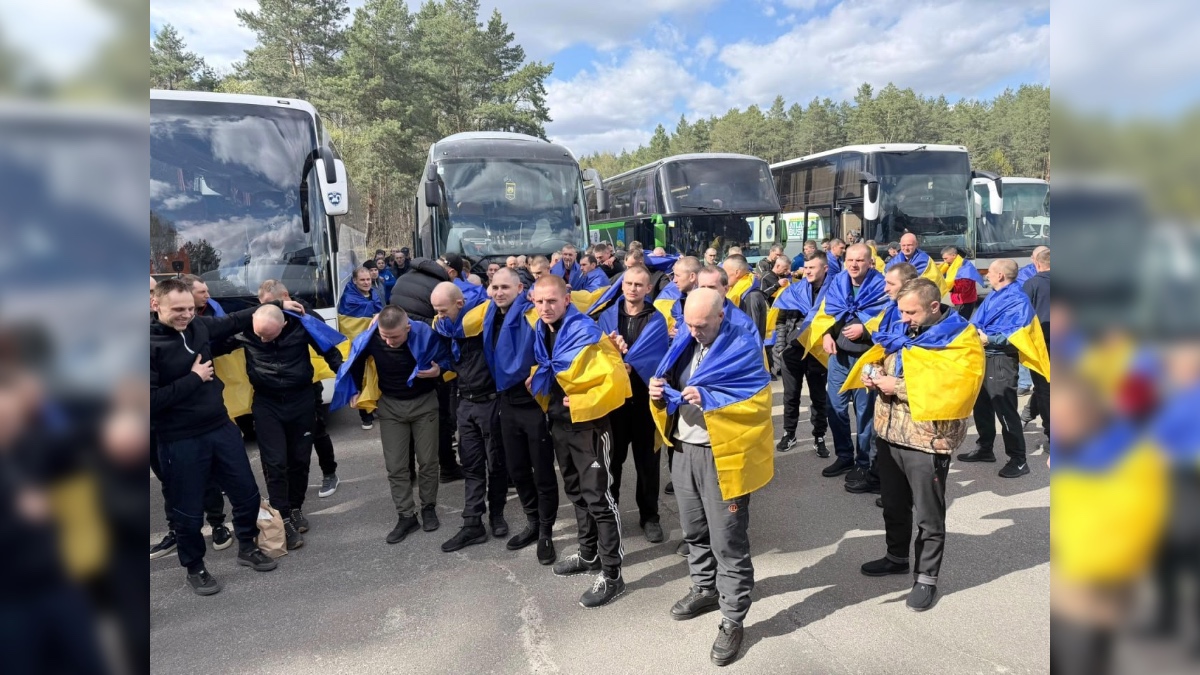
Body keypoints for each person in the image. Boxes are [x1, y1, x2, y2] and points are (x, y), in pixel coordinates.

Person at [151, 279, 303, 594]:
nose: (186, 315)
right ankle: (195, 568)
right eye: (178, 310)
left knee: (246, 494)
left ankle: (247, 546)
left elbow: (234, 320)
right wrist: (194, 378)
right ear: (155, 305)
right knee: (188, 511)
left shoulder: (199, 327)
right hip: (179, 439)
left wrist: (275, 305)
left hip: (220, 427)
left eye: (191, 309)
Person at [649, 288, 774, 667]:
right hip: (684, 450)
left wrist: (713, 400)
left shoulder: (744, 347)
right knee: (694, 531)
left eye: (701, 325)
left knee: (728, 541)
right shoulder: (684, 341)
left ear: (722, 316)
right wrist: (656, 394)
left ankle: (733, 618)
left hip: (723, 456)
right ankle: (705, 588)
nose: (693, 331)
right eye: (687, 323)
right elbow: (667, 381)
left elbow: (759, 402)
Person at [854, 278, 985, 611]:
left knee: (929, 514)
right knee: (894, 504)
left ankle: (926, 578)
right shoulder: (904, 330)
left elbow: (955, 388)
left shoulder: (961, 338)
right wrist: (872, 372)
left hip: (928, 439)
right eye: (900, 311)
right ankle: (896, 556)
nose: (902, 318)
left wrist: (894, 385)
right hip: (889, 433)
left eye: (910, 312)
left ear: (933, 307)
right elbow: (886, 357)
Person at [529, 275, 631, 608]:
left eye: (552, 301)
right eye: (539, 301)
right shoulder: (541, 330)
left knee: (599, 499)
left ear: (567, 300)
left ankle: (613, 575)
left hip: (589, 426)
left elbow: (617, 379)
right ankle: (588, 555)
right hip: (559, 424)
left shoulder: (587, 332)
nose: (545, 307)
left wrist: (585, 402)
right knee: (575, 493)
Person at [233, 303, 344, 549]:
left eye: (268, 336)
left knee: (299, 459)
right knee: (275, 462)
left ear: (283, 324)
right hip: (266, 403)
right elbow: (209, 339)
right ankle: (281, 516)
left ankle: (295, 508)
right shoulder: (245, 331)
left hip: (301, 401)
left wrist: (350, 381)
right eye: (259, 334)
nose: (262, 339)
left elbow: (329, 349)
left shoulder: (301, 326)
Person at [339, 305, 449, 543]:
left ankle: (428, 507)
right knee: (396, 466)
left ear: (407, 328)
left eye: (395, 337)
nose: (388, 342)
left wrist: (438, 372)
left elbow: (447, 358)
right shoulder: (373, 336)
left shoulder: (424, 334)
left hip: (424, 403)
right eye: (384, 336)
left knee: (428, 462)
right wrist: (355, 388)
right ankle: (406, 516)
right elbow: (356, 360)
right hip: (390, 406)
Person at [149, 279, 231, 560]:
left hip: (183, 425)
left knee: (204, 475)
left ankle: (218, 524)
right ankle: (176, 531)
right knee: (169, 481)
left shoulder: (184, 325)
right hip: (148, 428)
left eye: (150, 289)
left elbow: (223, 329)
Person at [484, 268, 558, 564]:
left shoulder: (531, 313)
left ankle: (546, 531)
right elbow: (452, 313)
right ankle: (532, 522)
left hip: (533, 403)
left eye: (505, 287)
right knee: (516, 469)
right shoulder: (488, 313)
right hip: (507, 402)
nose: (499, 292)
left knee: (541, 471)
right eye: (494, 286)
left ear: (520, 289)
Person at [431, 282, 511, 551]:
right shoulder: (444, 327)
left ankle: (497, 514)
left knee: (496, 463)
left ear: (460, 304)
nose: (439, 316)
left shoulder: (487, 320)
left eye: (442, 310)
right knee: (472, 464)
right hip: (465, 403)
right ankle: (472, 523)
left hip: (491, 402)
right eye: (436, 311)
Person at [597, 265, 670, 543]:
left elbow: (658, 359)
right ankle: (611, 514)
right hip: (614, 405)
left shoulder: (657, 320)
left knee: (647, 464)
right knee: (612, 463)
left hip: (644, 404)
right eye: (628, 283)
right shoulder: (607, 316)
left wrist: (631, 364)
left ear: (648, 288)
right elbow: (597, 354)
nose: (633, 289)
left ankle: (650, 517)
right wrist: (616, 360)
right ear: (622, 285)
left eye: (639, 285)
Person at [258, 280, 342, 498]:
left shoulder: (305, 315)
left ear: (285, 296)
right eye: (265, 305)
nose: (270, 308)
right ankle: (282, 489)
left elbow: (327, 346)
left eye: (273, 303)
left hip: (307, 385)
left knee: (318, 431)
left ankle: (329, 473)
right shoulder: (262, 321)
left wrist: (346, 378)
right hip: (274, 393)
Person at [818, 244, 889, 487]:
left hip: (867, 357)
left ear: (870, 262)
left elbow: (889, 316)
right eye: (850, 259)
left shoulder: (881, 285)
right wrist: (826, 334)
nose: (854, 264)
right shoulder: (838, 281)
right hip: (839, 357)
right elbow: (825, 312)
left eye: (860, 260)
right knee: (834, 407)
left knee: (865, 412)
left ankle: (863, 463)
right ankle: (844, 456)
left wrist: (865, 328)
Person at [389, 254, 464, 483]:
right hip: (425, 355)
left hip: (398, 352)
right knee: (438, 415)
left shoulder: (404, 277)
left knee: (407, 415)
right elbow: (442, 327)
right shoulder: (441, 288)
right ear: (451, 273)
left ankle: (409, 473)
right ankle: (448, 468)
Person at [961, 259, 1039, 478]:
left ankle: (1019, 459)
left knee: (1004, 409)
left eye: (991, 272)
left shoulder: (1017, 298)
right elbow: (978, 319)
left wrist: (990, 338)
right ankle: (985, 448)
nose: (986, 275)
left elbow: (1019, 334)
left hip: (1001, 358)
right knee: (982, 404)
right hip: (984, 354)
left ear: (1001, 275)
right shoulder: (995, 294)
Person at [774, 252, 830, 455]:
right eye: (806, 267)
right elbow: (780, 320)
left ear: (825, 269)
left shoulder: (833, 292)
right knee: (790, 397)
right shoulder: (794, 290)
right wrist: (780, 348)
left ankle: (819, 436)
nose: (807, 271)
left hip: (817, 352)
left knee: (818, 397)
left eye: (812, 268)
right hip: (792, 352)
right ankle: (789, 433)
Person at [338, 266, 385, 431]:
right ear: (354, 281)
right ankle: (365, 415)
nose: (366, 283)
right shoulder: (348, 298)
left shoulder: (375, 294)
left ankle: (375, 405)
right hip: (357, 346)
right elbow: (348, 323)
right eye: (363, 280)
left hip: (374, 342)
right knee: (359, 379)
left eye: (369, 280)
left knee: (377, 375)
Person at [1022, 247, 1050, 450]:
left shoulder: (1032, 284)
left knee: (1045, 390)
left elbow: (1022, 315)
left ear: (1037, 264)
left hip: (1043, 344)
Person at [722, 255, 768, 341]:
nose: (723, 276)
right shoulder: (734, 290)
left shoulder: (751, 295)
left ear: (737, 272)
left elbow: (751, 331)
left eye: (725, 273)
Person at [940, 245, 981, 320]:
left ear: (954, 255)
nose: (944, 261)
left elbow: (964, 287)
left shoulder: (965, 267)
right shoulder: (954, 266)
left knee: (961, 321)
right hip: (960, 299)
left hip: (965, 301)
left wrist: (948, 287)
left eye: (946, 258)